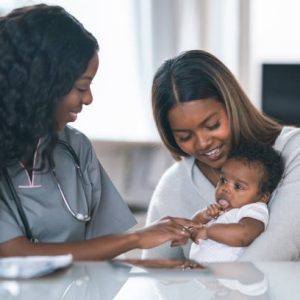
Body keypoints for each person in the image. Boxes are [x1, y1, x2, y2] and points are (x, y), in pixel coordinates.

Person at [0, 4, 194, 261]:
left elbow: (101, 253)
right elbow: (14, 253)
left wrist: (148, 268)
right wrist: (135, 239)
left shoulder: (76, 148)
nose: (89, 99)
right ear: (41, 83)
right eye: (81, 87)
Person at [143, 49, 300, 261]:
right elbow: (155, 277)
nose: (203, 143)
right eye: (185, 136)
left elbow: (279, 246)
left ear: (232, 105)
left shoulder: (293, 151)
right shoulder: (174, 185)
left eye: (212, 125)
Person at [188, 142, 284, 263]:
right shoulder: (220, 211)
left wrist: (209, 231)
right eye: (223, 180)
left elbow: (245, 234)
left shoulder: (253, 210)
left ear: (262, 197)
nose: (225, 188)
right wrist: (203, 216)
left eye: (238, 186)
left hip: (227, 276)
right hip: (201, 274)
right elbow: (190, 226)